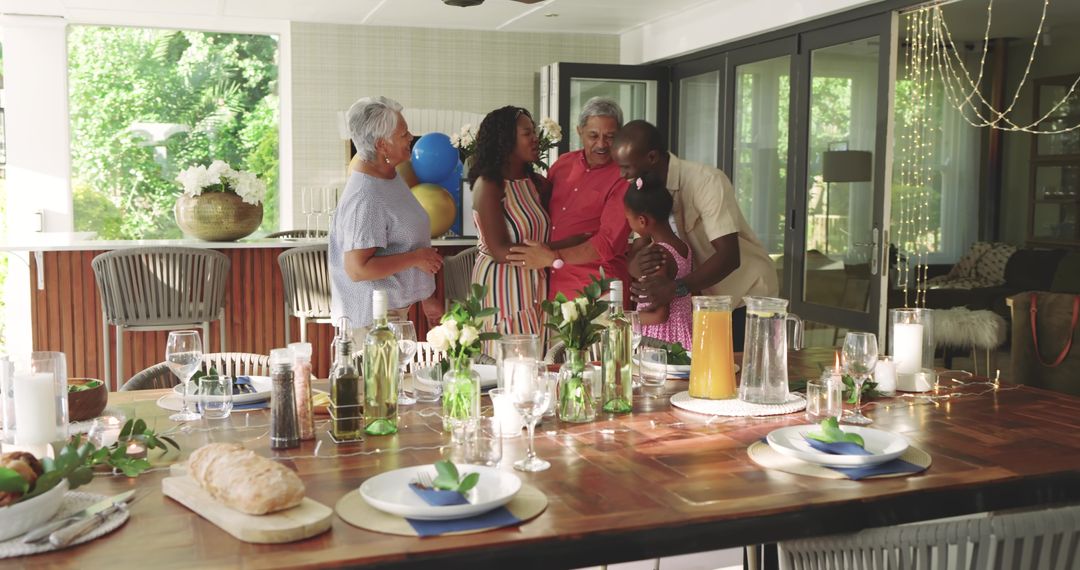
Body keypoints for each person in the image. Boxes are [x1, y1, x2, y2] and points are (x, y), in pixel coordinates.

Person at [613, 120, 778, 348]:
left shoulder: (706, 181)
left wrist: (675, 288)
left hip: (744, 296)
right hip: (705, 303)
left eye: (627, 167)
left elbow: (729, 256)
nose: (622, 175)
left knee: (740, 375)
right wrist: (634, 265)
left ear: (651, 157)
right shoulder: (647, 192)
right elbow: (640, 243)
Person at [329, 96, 444, 334]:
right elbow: (357, 269)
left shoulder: (389, 176)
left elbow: (408, 241)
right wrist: (415, 258)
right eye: (403, 134)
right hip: (372, 323)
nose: (411, 137)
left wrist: (427, 296)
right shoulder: (365, 196)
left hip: (392, 313)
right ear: (382, 145)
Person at [470, 106, 584, 337]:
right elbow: (501, 251)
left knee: (535, 359)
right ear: (505, 139)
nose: (535, 139)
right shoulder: (489, 185)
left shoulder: (536, 184)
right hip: (501, 284)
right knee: (507, 361)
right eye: (527, 133)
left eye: (534, 132)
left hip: (535, 280)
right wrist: (569, 245)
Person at [507, 97, 631, 304]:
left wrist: (553, 256)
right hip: (553, 290)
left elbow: (607, 243)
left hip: (598, 293)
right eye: (593, 135)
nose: (601, 144)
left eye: (610, 137)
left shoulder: (623, 177)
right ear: (579, 131)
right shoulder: (563, 164)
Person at [624, 177, 693, 349]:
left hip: (662, 339)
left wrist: (623, 319)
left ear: (642, 221)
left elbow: (659, 315)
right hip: (683, 332)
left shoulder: (657, 255)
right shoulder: (682, 246)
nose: (629, 224)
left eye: (628, 219)